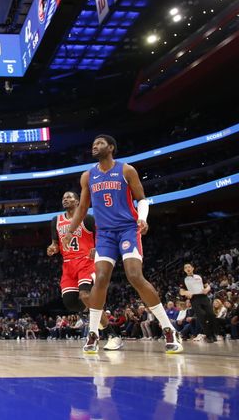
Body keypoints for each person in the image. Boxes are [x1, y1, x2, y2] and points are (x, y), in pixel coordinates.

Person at [62, 135, 182, 354]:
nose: (94, 146)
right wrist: (71, 231)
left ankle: (168, 329)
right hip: (105, 234)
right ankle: (93, 333)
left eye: (99, 143)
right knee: (100, 279)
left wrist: (143, 218)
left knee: (134, 276)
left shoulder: (127, 170)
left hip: (127, 228)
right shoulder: (87, 176)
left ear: (111, 147)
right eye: (93, 144)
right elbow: (82, 208)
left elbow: (141, 198)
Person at [47, 191, 125, 350]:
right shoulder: (56, 220)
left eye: (69, 197)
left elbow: (103, 234)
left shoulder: (87, 218)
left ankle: (110, 335)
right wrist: (53, 247)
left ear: (77, 202)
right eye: (63, 198)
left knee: (85, 295)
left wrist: (97, 248)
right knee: (71, 303)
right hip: (68, 265)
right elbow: (55, 242)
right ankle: (97, 311)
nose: (65, 199)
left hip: (86, 262)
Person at [179, 263, 218, 343]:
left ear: (193, 268)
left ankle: (213, 334)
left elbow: (208, 286)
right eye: (185, 267)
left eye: (189, 267)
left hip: (203, 297)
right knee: (202, 316)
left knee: (211, 314)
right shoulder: (184, 279)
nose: (188, 268)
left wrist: (207, 289)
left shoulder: (199, 276)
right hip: (194, 299)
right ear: (184, 270)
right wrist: (186, 292)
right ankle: (208, 335)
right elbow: (181, 291)